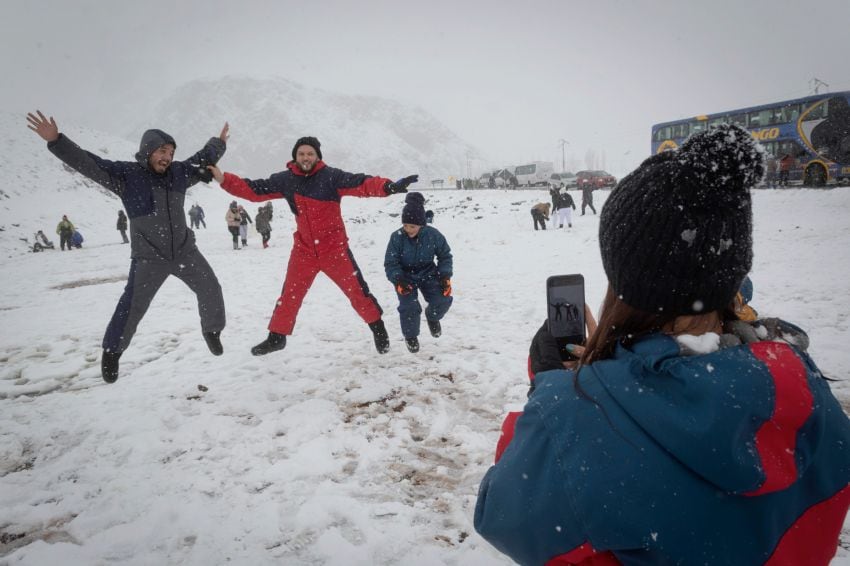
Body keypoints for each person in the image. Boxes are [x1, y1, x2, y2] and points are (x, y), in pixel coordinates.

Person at [474, 124, 850, 565]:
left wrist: (552, 393)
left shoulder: (577, 419)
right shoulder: (805, 387)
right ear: (732, 271)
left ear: (623, 276)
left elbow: (506, 517)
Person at [27, 110, 229, 383]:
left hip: (184, 250)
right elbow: (88, 163)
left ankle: (212, 330)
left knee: (211, 288)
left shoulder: (179, 173)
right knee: (132, 306)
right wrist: (56, 141)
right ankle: (112, 352)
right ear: (147, 151)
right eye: (161, 151)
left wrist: (219, 143)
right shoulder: (126, 175)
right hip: (149, 257)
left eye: (170, 152)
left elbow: (202, 159)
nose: (167, 157)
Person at [208, 135, 417, 355]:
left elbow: (362, 183)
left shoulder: (332, 177)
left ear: (317, 156)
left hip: (334, 250)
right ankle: (277, 337)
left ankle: (378, 328)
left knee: (357, 292)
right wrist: (224, 179)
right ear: (295, 157)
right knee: (290, 294)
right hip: (304, 251)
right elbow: (254, 190)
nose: (305, 157)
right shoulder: (286, 180)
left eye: (310, 153)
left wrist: (389, 187)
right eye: (301, 154)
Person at [384, 192, 453, 353]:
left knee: (443, 299)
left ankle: (432, 317)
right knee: (409, 306)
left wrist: (445, 276)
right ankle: (411, 336)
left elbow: (445, 256)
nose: (408, 229)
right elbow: (390, 263)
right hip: (405, 276)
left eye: (412, 226)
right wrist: (398, 279)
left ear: (422, 224)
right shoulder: (397, 237)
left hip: (428, 273)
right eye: (405, 225)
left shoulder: (433, 235)